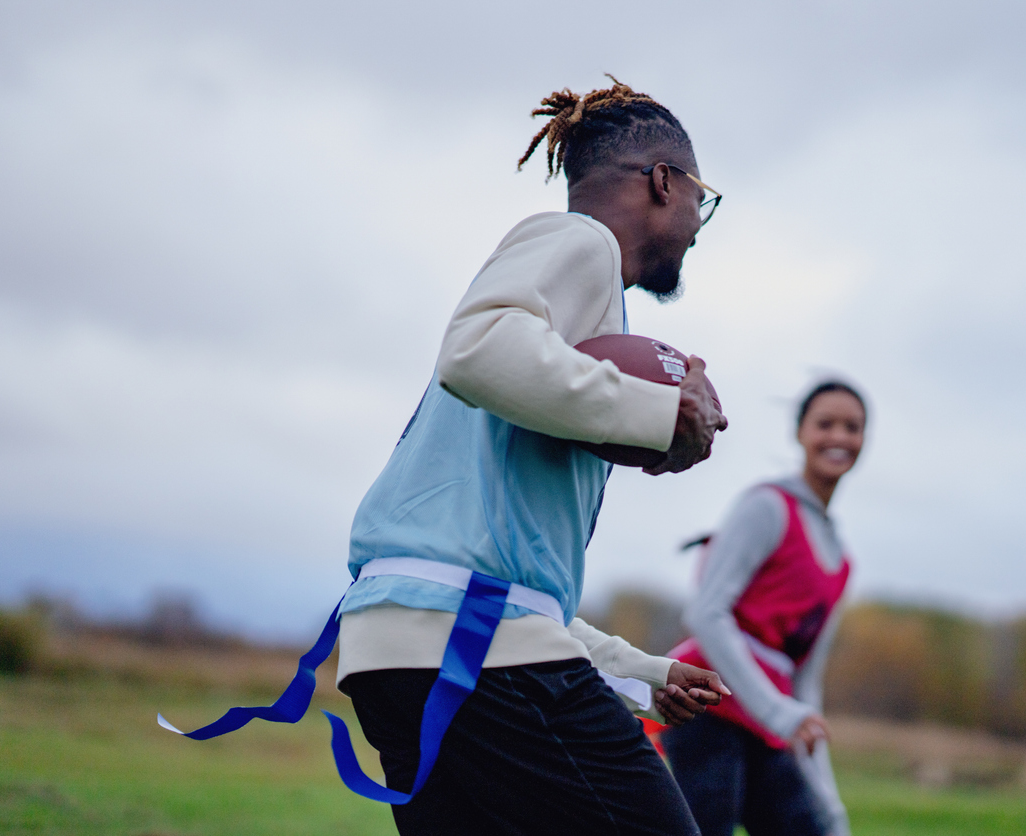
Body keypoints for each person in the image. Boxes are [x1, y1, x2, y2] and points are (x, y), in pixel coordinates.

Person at [336, 77, 730, 836]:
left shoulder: (557, 358)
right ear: (662, 182)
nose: (696, 224)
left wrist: (643, 673)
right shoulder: (578, 242)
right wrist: (657, 409)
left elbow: (505, 588)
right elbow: (474, 349)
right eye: (699, 200)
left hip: (409, 643)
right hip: (463, 645)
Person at [664, 381, 868, 836]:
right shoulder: (767, 507)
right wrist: (778, 713)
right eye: (825, 424)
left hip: (765, 721)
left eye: (852, 427)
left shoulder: (842, 561)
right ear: (801, 433)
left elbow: (805, 680)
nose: (838, 437)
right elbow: (705, 613)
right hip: (707, 706)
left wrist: (828, 800)